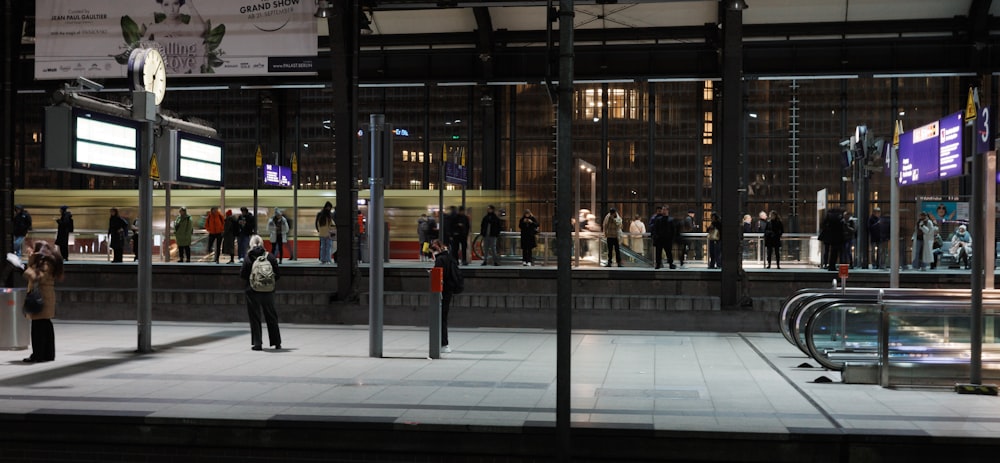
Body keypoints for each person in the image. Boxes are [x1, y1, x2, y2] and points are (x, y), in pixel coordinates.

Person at [22, 240, 64, 363]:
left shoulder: (46, 263)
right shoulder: (44, 260)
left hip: (42, 297)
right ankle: (48, 354)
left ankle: (38, 354)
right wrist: (32, 257)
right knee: (45, 325)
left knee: (38, 328)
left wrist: (23, 268)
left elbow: (37, 277)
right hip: (45, 296)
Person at [240, 235, 281, 351]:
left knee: (255, 317)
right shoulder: (270, 257)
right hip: (268, 291)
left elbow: (242, 275)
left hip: (252, 291)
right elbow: (278, 274)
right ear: (262, 244)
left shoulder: (248, 257)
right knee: (271, 316)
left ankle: (257, 343)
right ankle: (276, 342)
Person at [431, 240, 460, 353]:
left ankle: (443, 343)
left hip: (442, 291)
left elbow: (439, 275)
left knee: (441, 317)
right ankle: (443, 343)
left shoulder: (440, 259)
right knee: (444, 317)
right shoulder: (449, 257)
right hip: (449, 290)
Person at [651, 205, 676, 269]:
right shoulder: (670, 219)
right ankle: (664, 264)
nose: (663, 211)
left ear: (667, 210)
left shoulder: (659, 219)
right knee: (664, 252)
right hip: (663, 238)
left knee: (665, 252)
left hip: (664, 239)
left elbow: (673, 230)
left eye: (665, 210)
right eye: (663, 210)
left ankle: (662, 264)